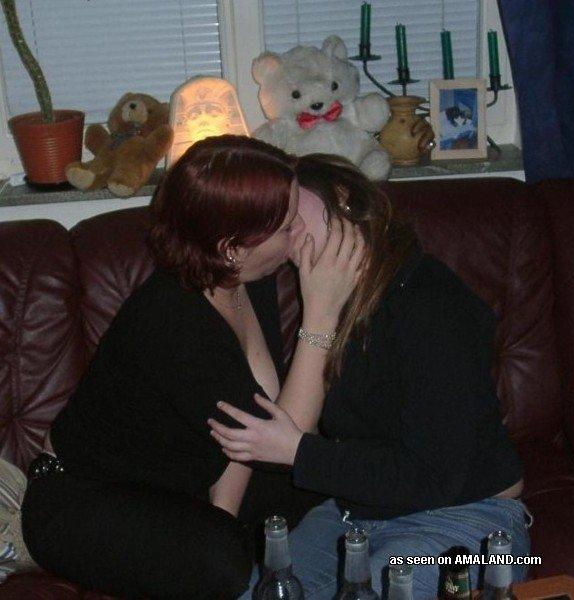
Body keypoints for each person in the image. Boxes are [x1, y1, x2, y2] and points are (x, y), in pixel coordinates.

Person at [20, 136, 361, 599]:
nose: (298, 233)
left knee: (335, 479)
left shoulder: (245, 281)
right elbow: (287, 438)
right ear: (232, 247)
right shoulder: (173, 321)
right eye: (286, 227)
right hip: (83, 497)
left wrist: (222, 516)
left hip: (184, 482)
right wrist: (322, 314)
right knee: (221, 562)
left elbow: (251, 431)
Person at [209, 153, 531, 600]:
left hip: (469, 518)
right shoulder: (332, 298)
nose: (284, 234)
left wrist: (299, 451)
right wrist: (320, 314)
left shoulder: (432, 303)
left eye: (292, 212)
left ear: (342, 199)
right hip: (351, 518)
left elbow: (433, 476)